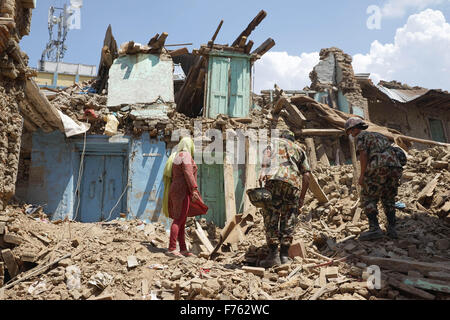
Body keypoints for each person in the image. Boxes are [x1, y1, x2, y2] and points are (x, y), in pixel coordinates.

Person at [258, 130, 310, 267]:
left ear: (282, 137)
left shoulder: (274, 142)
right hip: (292, 185)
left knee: (271, 215)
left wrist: (263, 170)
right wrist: (302, 198)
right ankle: (284, 256)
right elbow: (307, 175)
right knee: (289, 217)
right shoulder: (299, 149)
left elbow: (266, 155)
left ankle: (273, 255)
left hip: (274, 180)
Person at [345, 117, 403, 240]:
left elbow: (364, 154)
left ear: (355, 129)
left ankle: (374, 229)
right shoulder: (379, 135)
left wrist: (362, 175)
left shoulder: (360, 136)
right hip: (395, 167)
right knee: (388, 197)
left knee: (368, 196)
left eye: (350, 132)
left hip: (378, 167)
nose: (350, 134)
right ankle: (392, 228)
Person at [163, 137, 202, 257]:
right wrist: (194, 189)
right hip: (182, 191)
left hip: (177, 190)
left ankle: (183, 249)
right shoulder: (185, 155)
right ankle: (172, 248)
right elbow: (188, 173)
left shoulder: (177, 155)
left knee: (182, 220)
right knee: (179, 219)